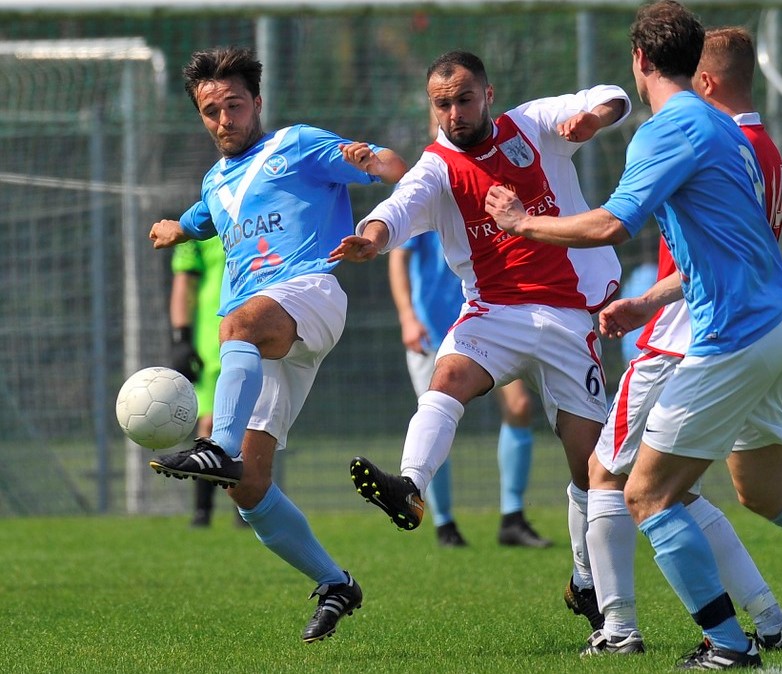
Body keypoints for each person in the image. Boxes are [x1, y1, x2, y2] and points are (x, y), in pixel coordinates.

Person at [485, 2, 782, 667]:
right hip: (774, 326)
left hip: (732, 338)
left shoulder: (667, 130)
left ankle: (726, 644)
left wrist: (521, 222)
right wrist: (649, 301)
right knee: (763, 490)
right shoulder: (726, 131)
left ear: (639, 60)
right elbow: (724, 247)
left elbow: (613, 224)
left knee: (644, 492)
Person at [328, 50, 629, 627]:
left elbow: (611, 92)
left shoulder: (533, 124)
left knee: (587, 467)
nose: (453, 111)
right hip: (494, 310)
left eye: (463, 99)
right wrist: (370, 237)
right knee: (447, 377)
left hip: (569, 314)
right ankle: (410, 487)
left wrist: (595, 118)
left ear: (487, 95)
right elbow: (397, 208)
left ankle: (586, 582)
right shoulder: (436, 166)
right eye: (441, 102)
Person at [145, 46, 407, 643]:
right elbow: (203, 216)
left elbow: (382, 163)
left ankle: (216, 444)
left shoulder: (296, 145)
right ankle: (335, 582)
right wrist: (173, 228)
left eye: (234, 106)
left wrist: (380, 161)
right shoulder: (215, 180)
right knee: (248, 487)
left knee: (233, 323)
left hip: (309, 292)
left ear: (256, 103)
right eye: (210, 111)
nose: (223, 120)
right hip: (273, 342)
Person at [570, 25, 782, 658]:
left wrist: (520, 223)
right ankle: (777, 617)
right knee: (701, 489)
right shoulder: (752, 141)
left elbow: (616, 223)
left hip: (700, 333)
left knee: (617, 477)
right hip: (743, 322)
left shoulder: (684, 130)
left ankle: (622, 628)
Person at [388, 233, 551, 548]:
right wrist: (407, 317)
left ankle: (512, 518)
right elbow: (398, 255)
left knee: (519, 407)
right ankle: (443, 523)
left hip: (485, 324)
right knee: (435, 424)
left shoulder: (486, 186)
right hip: (432, 333)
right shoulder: (421, 184)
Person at [168, 236, 248, 528]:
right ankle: (203, 511)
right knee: (211, 423)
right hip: (212, 341)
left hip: (254, 330)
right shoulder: (198, 225)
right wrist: (181, 336)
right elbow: (184, 282)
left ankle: (247, 506)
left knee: (252, 424)